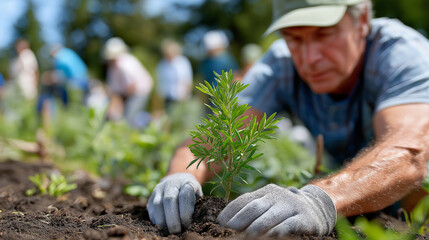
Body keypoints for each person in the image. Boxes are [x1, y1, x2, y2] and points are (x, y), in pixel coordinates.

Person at [147, 0, 429, 237]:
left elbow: (411, 154)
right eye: (294, 38)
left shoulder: (401, 55)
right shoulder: (281, 62)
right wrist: (181, 174)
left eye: (323, 34)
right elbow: (222, 133)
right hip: (364, 200)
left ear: (363, 19)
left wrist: (319, 199)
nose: (309, 58)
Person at [103, 37, 153, 127]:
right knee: (109, 114)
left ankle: (133, 137)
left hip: (139, 91)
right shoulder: (112, 67)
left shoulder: (126, 63)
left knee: (130, 116)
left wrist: (120, 104)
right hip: (127, 92)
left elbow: (132, 86)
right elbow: (113, 90)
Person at [156, 39, 193, 111]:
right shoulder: (162, 63)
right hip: (168, 96)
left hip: (182, 96)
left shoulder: (183, 62)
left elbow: (187, 79)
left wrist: (186, 93)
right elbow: (160, 81)